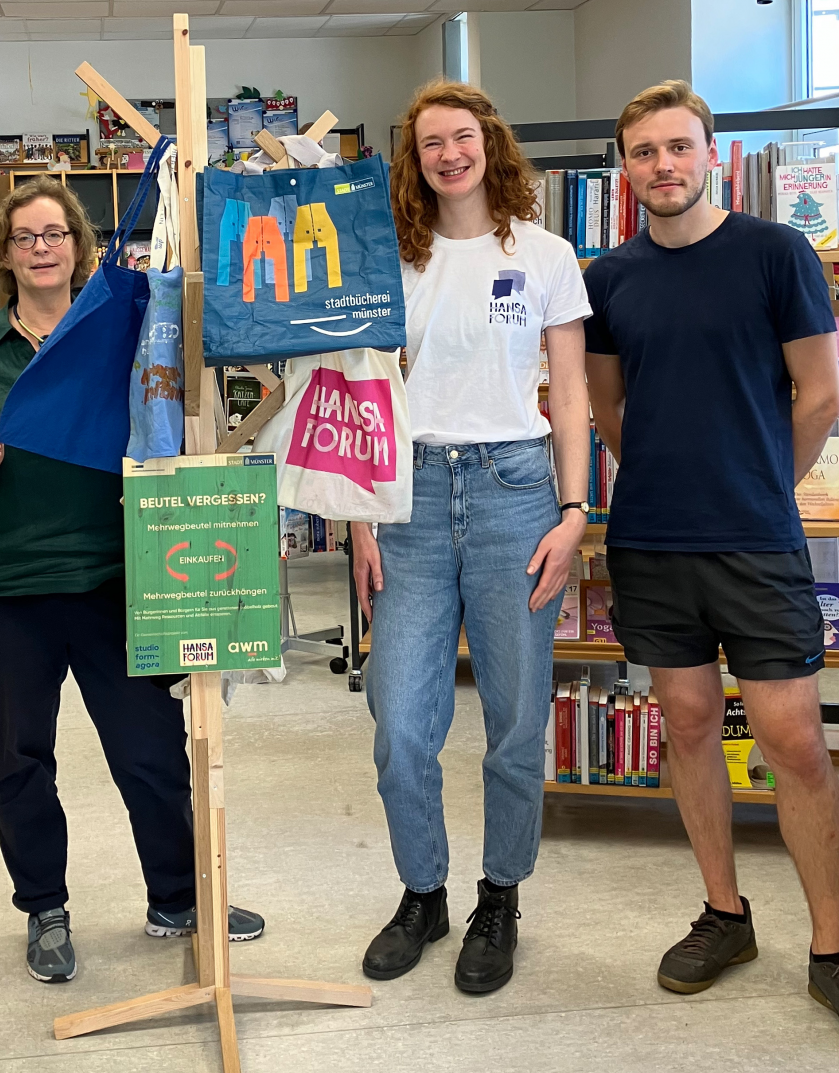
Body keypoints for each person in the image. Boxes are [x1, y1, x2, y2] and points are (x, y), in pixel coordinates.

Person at [0, 176, 264, 985]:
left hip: (117, 579)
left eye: (56, 235)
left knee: (150, 751)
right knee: (21, 759)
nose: (42, 249)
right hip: (3, 591)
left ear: (80, 246)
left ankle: (177, 896)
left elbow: (171, 418)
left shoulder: (127, 333)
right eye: (25, 237)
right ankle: (44, 909)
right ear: (2, 253)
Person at [584, 81, 839, 1012]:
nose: (663, 166)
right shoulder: (607, 280)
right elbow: (608, 408)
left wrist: (766, 482)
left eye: (679, 148)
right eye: (645, 152)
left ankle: (832, 938)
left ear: (712, 155)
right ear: (626, 168)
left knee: (793, 740)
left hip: (756, 537)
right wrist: (656, 473)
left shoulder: (777, 254)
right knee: (687, 725)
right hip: (651, 539)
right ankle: (725, 914)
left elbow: (819, 392)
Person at [353, 80, 591, 993]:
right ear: (413, 162)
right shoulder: (391, 261)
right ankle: (425, 891)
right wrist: (360, 514)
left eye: (462, 137)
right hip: (406, 497)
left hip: (515, 493)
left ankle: (501, 895)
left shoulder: (546, 255)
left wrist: (574, 515)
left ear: (490, 142)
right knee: (401, 724)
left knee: (516, 721)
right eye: (429, 145)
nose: (448, 155)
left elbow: (567, 395)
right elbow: (360, 395)